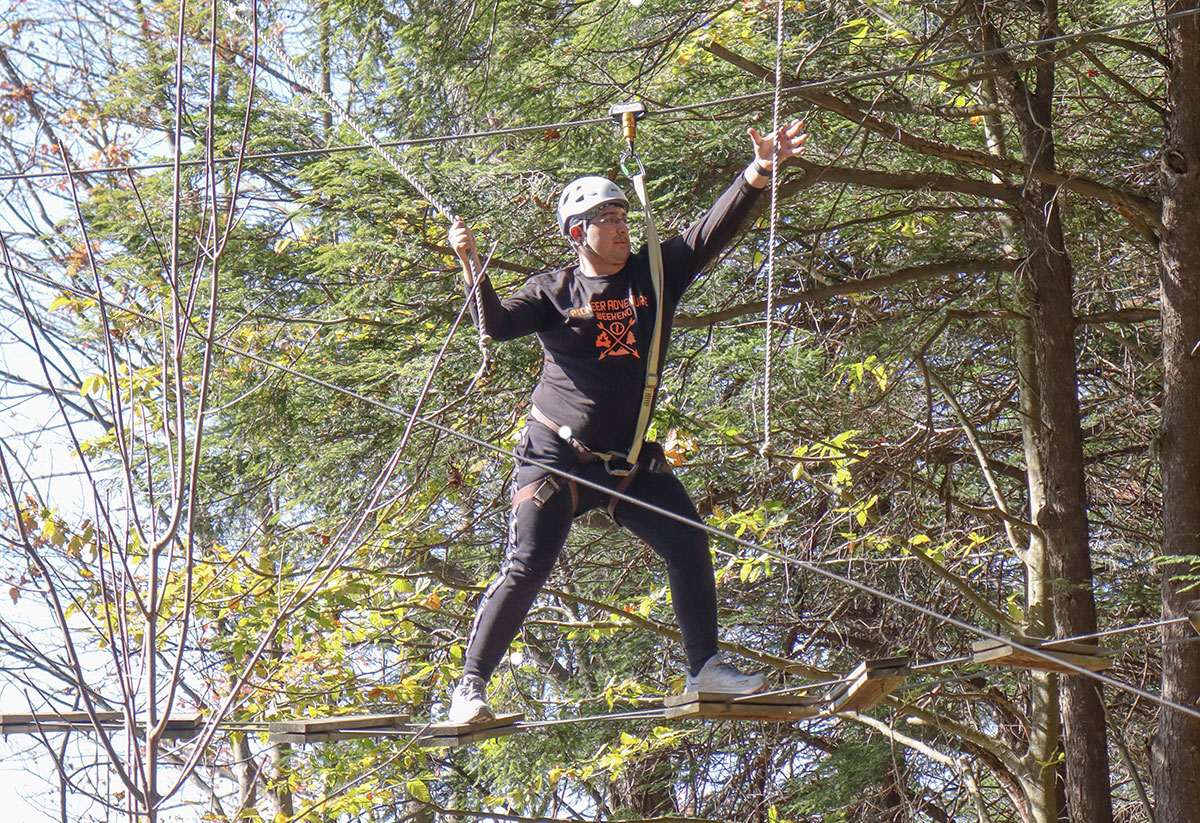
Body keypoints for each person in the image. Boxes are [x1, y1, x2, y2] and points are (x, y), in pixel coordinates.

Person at [445, 120, 808, 724]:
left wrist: (758, 171)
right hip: (555, 458)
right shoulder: (554, 290)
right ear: (577, 233)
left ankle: (704, 668)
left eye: (622, 217)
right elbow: (498, 326)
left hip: (627, 460)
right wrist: (471, 263)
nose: (620, 228)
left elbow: (708, 234)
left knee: (688, 539)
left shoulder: (652, 277)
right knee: (527, 565)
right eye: (607, 220)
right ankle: (470, 689)